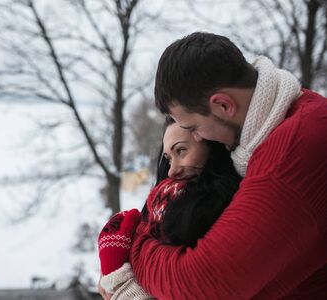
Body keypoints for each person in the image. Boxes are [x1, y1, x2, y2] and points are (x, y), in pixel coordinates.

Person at [105, 32, 326, 299]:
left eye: (193, 127)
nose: (198, 139)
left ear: (223, 105)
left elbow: (201, 285)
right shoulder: (295, 114)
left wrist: (131, 248)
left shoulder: (293, 153)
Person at [98, 116, 241, 299]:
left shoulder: (234, 205)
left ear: (212, 144)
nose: (172, 170)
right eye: (168, 158)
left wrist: (123, 285)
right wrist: (112, 266)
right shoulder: (162, 199)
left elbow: (192, 281)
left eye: (181, 150)